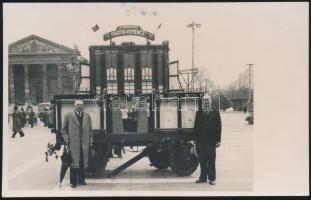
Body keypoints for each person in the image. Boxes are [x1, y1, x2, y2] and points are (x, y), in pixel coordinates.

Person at [62, 100, 92, 188]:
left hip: (84, 143)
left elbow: (90, 130)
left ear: (83, 106)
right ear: (75, 106)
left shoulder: (87, 116)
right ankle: (73, 182)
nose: (80, 106)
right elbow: (63, 129)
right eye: (78, 105)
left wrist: (90, 140)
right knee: (74, 163)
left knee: (82, 162)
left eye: (81, 105)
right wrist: (67, 139)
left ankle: (82, 180)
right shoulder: (69, 115)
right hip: (74, 143)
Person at [194, 96, 222, 185]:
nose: (206, 101)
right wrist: (195, 140)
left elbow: (219, 128)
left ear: (210, 102)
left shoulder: (216, 113)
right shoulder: (199, 113)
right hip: (201, 141)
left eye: (207, 100)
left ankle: (212, 178)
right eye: (204, 100)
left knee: (211, 161)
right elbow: (196, 127)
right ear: (202, 102)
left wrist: (218, 140)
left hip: (211, 141)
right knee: (202, 160)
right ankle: (203, 178)